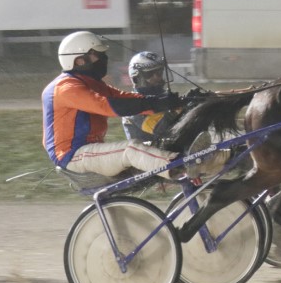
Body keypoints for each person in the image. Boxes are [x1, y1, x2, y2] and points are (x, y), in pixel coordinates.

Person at [42, 31, 185, 179]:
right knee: (130, 150)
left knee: (147, 147)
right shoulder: (65, 88)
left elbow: (125, 97)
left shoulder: (92, 83)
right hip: (72, 155)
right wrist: (156, 103)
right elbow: (109, 106)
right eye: (97, 55)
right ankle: (183, 166)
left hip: (88, 150)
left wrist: (171, 100)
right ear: (79, 61)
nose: (103, 58)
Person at [121, 51, 183, 143]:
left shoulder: (164, 96)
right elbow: (161, 130)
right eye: (149, 74)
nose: (157, 77)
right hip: (147, 150)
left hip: (172, 147)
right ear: (136, 77)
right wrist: (177, 110)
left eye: (159, 72)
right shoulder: (133, 106)